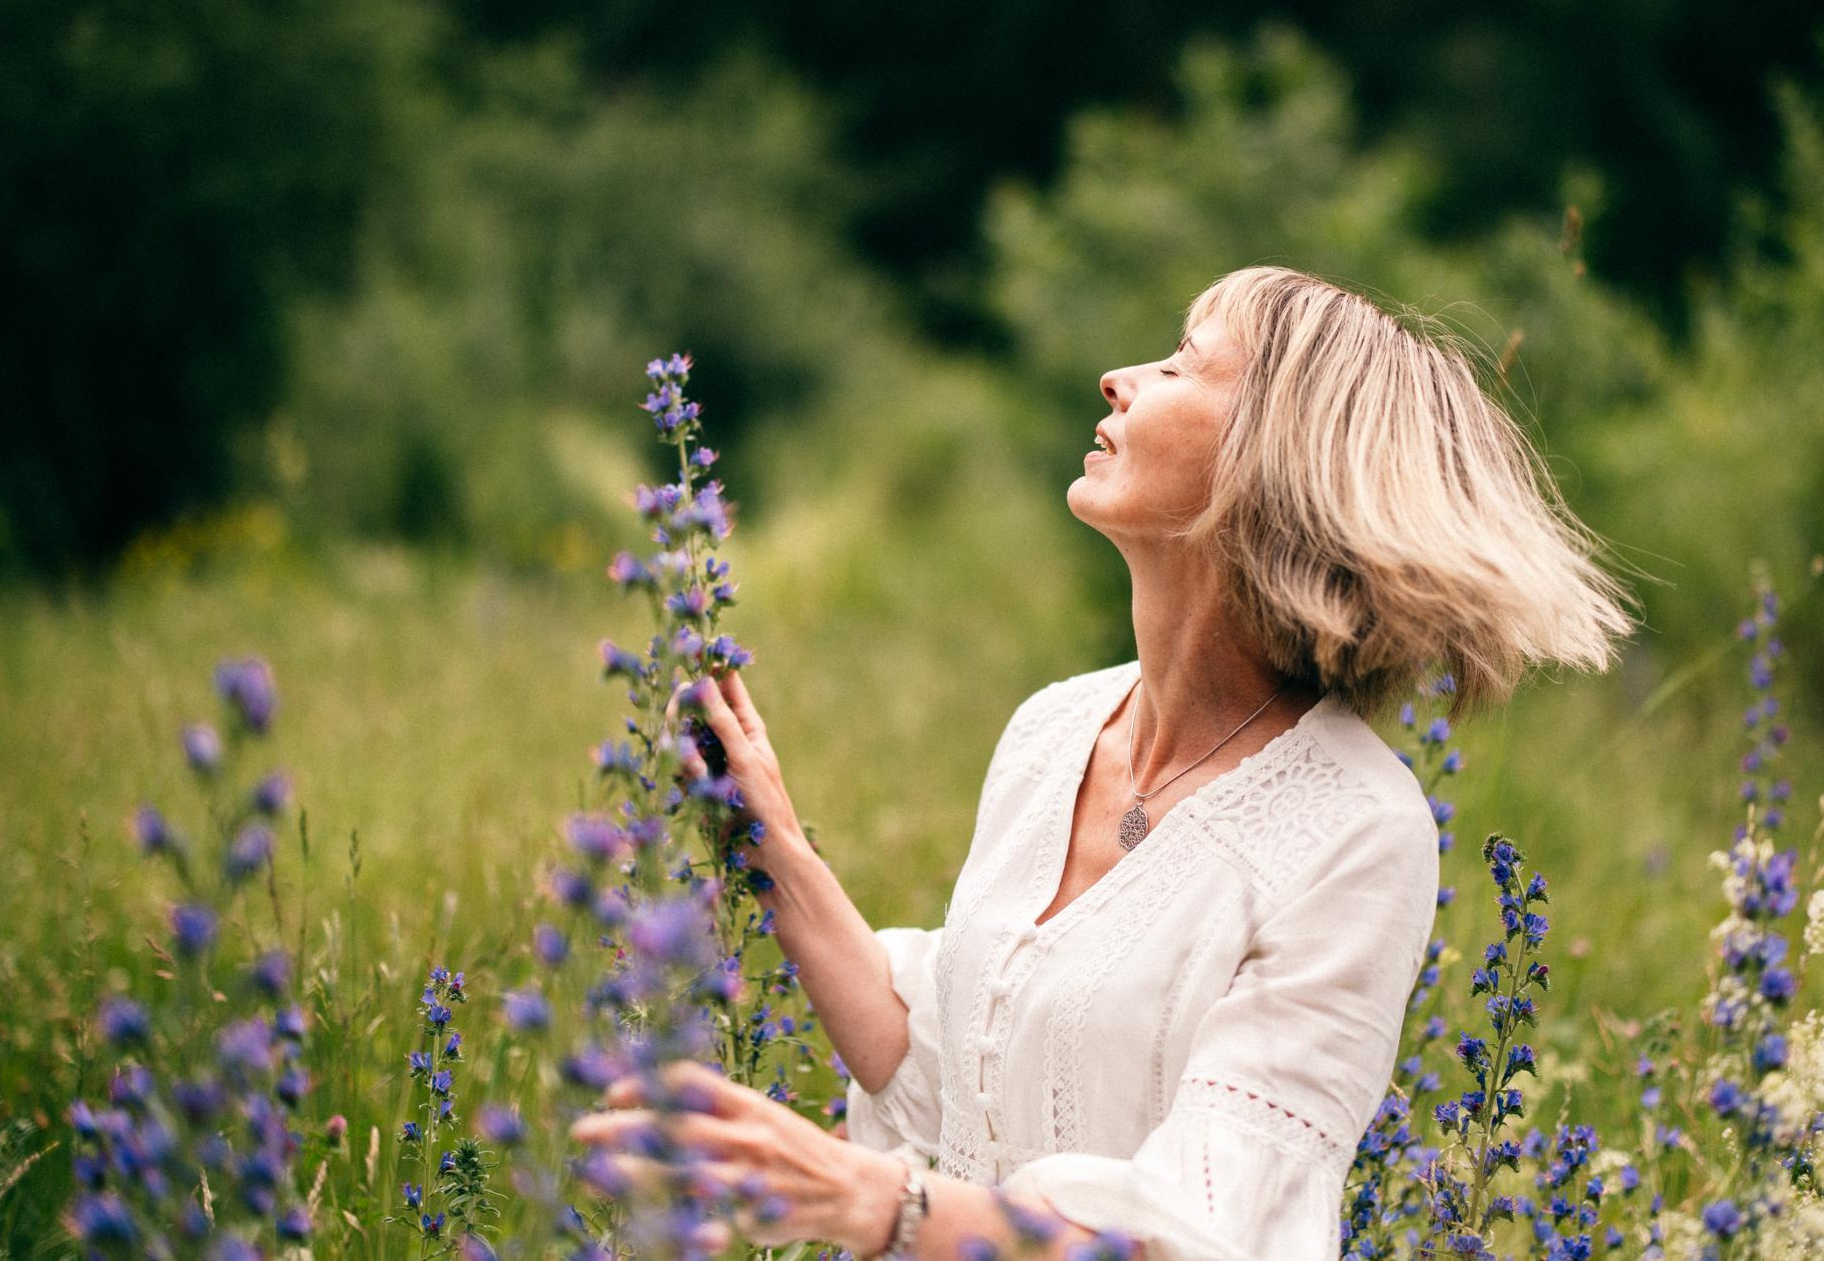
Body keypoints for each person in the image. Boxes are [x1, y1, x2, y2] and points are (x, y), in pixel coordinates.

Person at [573, 264, 1639, 1258]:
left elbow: (1199, 1235)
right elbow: (939, 1067)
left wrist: (878, 1204)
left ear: (1272, 459)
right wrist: (766, 844)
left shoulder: (1355, 831)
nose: (1120, 379)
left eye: (1181, 364)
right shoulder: (1054, 731)